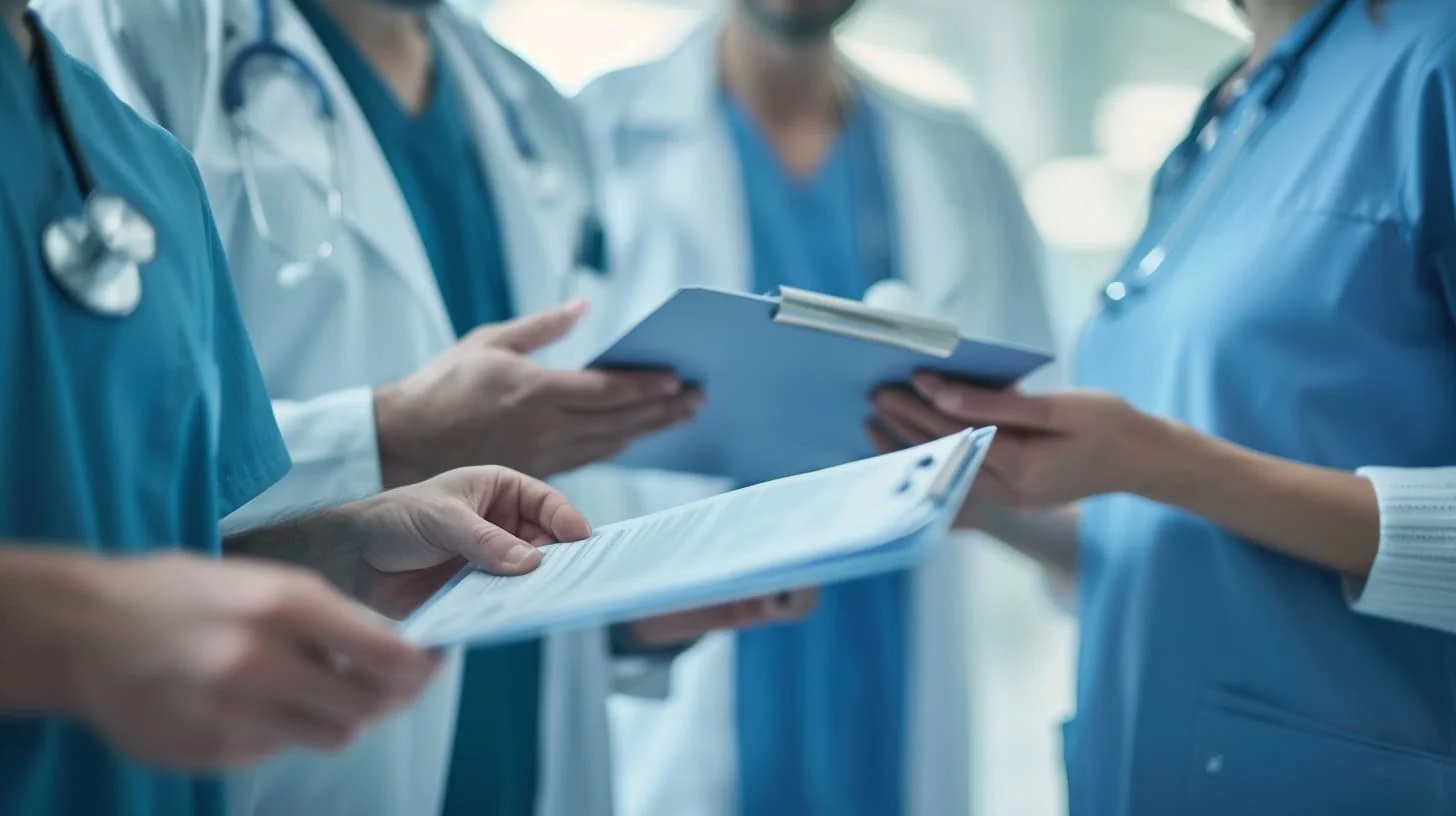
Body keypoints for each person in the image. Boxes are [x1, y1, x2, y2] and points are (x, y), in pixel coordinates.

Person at [36, 1, 818, 814]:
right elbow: (96, 471)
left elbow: (543, 454)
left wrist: (628, 603)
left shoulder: (526, 105)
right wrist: (385, 438)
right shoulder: (138, 35)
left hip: (520, 757)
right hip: (288, 758)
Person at [0, 2, 598, 814]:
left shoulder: (139, 164)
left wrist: (337, 552)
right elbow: (112, 613)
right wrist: (72, 633)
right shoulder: (148, 50)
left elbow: (158, 553)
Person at [868, 0, 1456, 812]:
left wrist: (1156, 460)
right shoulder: (1222, 127)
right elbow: (1194, 544)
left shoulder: (1436, 61)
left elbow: (1181, 471)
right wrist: (994, 495)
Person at [574, 1, 1056, 814]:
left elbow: (1043, 441)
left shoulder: (958, 161)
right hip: (684, 675)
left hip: (891, 665)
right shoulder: (584, 138)